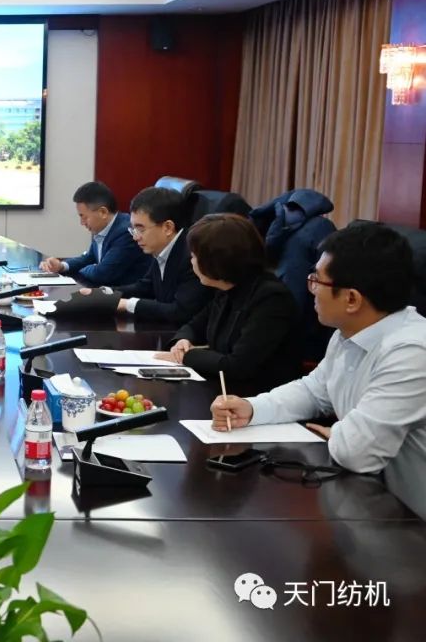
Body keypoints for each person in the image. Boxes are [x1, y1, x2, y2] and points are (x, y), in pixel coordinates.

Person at [210, 223, 426, 519]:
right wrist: (252, 408)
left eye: (317, 281)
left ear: (352, 299)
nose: (310, 289)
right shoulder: (348, 332)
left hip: (411, 521)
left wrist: (336, 434)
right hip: (369, 502)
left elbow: (356, 452)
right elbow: (314, 391)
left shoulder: (412, 352)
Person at [155, 213, 299, 393]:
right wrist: (183, 340)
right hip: (222, 390)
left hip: (259, 396)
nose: (191, 262)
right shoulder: (226, 288)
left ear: (216, 261)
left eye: (194, 256)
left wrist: (187, 356)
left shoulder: (271, 298)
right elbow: (194, 325)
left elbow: (238, 365)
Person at [97, 186, 212, 324]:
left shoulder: (192, 257)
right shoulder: (162, 247)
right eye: (133, 229)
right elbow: (146, 287)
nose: (135, 237)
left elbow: (180, 312)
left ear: (168, 227)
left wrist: (127, 304)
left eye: (140, 229)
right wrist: (105, 294)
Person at [39, 181, 148, 286]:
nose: (82, 223)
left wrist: (83, 270)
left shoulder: (125, 232)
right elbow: (89, 258)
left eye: (84, 217)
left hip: (128, 295)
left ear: (103, 212)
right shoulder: (102, 228)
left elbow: (102, 274)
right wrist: (61, 266)